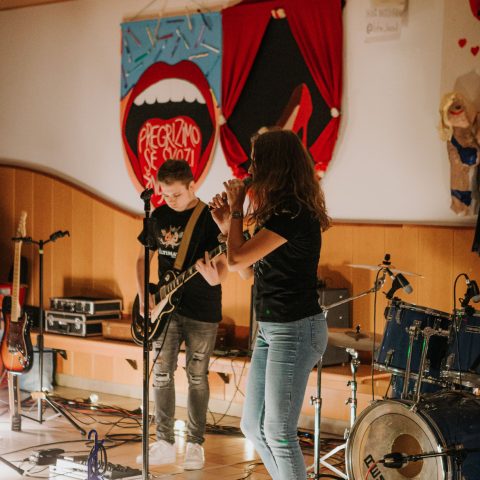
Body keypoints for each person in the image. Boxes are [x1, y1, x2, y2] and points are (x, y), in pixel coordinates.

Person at [209, 129, 330, 480]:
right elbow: (247, 271)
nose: (250, 170)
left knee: (278, 431)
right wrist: (226, 226)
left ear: (274, 165)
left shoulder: (294, 213)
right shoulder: (277, 212)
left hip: (296, 329)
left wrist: (236, 209)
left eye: (256, 162)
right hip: (272, 328)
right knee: (252, 426)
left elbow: (235, 260)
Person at [135, 159, 228, 470]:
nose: (169, 200)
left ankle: (195, 445)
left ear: (192, 186)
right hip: (165, 309)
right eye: (164, 194)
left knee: (197, 376)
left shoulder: (210, 219)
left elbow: (224, 265)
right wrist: (144, 295)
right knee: (161, 373)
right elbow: (142, 259)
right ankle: (163, 441)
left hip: (203, 309)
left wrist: (215, 276)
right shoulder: (158, 216)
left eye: (175, 194)